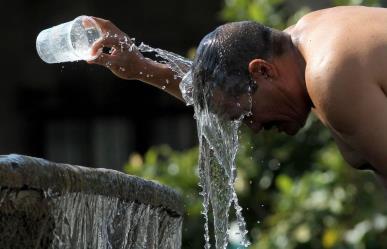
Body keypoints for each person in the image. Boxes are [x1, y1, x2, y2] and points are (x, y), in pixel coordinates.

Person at [88, 5, 387, 184]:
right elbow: (219, 89)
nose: (254, 127)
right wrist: (140, 67)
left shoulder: (329, 77)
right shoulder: (305, 38)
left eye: (244, 115)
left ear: (263, 72)